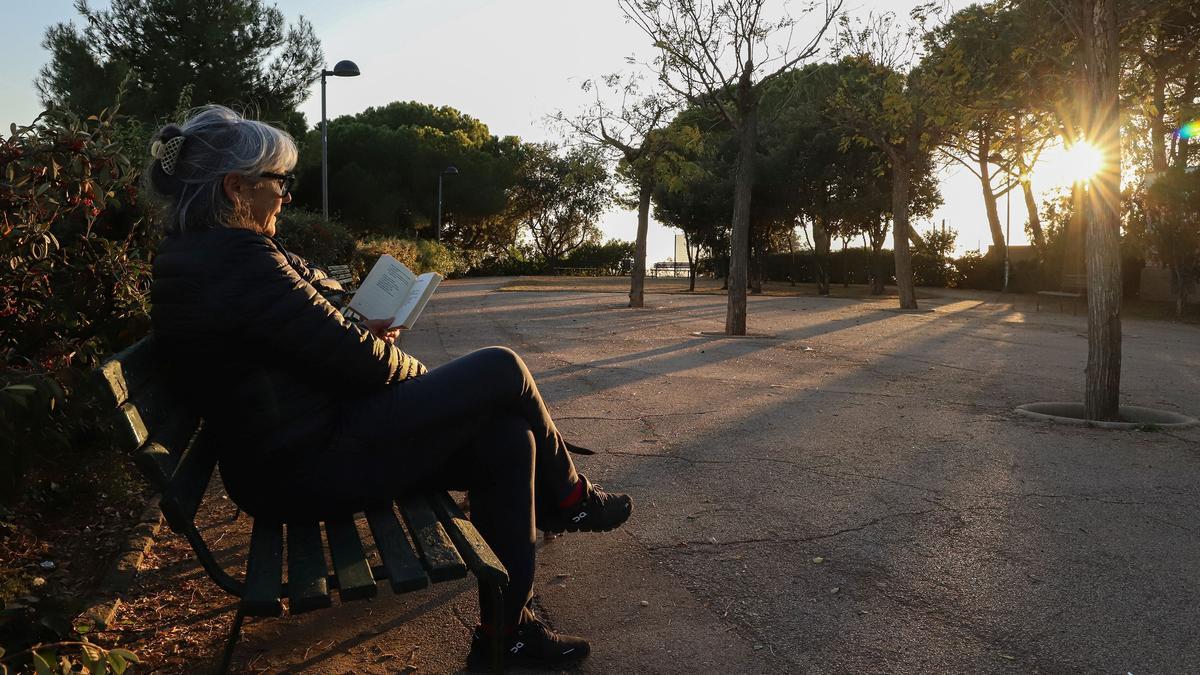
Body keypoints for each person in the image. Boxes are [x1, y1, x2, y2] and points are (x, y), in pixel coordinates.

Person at [146, 105, 632, 671]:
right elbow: (365, 366)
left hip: (297, 446)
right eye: (277, 180)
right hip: (300, 466)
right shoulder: (235, 260)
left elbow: (305, 337)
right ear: (235, 188)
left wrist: (367, 338)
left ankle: (508, 635)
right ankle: (571, 499)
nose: (285, 194)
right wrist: (433, 386)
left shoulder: (207, 254)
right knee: (500, 369)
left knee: (507, 439)